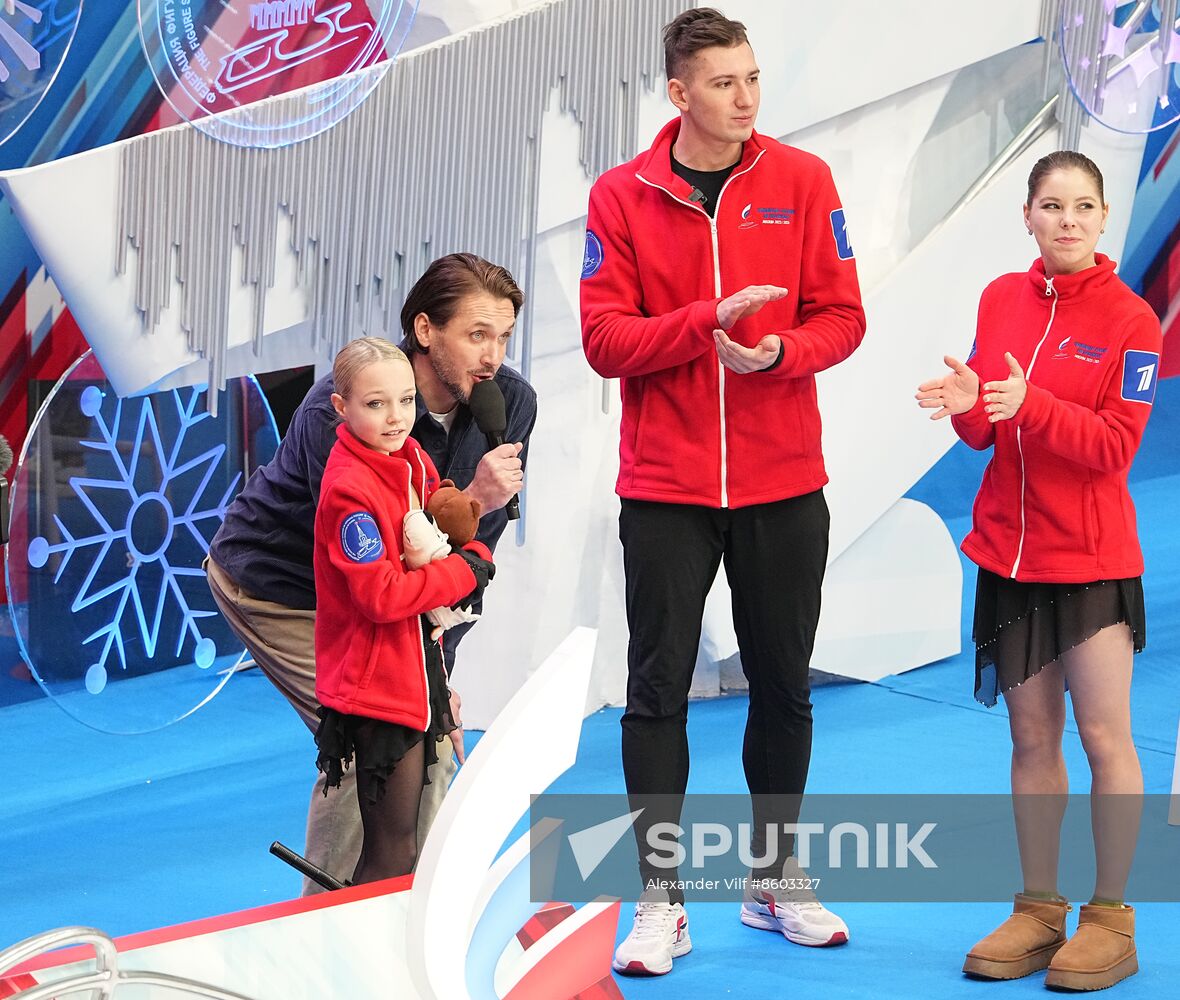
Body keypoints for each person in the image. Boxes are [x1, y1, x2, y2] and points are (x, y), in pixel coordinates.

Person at [579, 7, 866, 976]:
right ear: (678, 92)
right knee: (654, 692)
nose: (746, 96)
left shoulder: (802, 180)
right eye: (723, 82)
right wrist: (703, 322)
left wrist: (780, 351)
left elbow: (843, 317)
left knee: (783, 685)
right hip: (665, 485)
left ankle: (772, 878)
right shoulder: (620, 196)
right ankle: (660, 900)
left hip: (784, 480)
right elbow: (603, 339)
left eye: (751, 77)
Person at [206, 253, 537, 892]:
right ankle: (329, 927)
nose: (493, 354)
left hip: (390, 597)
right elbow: (371, 575)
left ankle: (409, 908)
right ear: (423, 330)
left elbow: (470, 563)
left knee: (428, 736)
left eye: (503, 336)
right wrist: (473, 497)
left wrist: (437, 670)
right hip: (283, 586)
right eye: (476, 335)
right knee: (374, 746)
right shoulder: (341, 416)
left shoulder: (509, 402)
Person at [916, 150, 1160, 991]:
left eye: (1083, 207)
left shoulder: (1134, 322)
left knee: (1104, 739)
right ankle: (1039, 909)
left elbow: (1114, 449)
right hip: (1007, 556)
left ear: (1102, 221)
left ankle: (1111, 917)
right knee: (1030, 739)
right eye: (1051, 205)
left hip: (1090, 563)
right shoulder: (1000, 299)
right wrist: (965, 411)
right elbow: (988, 429)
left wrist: (1036, 405)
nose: (1067, 220)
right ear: (1027, 215)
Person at [312, 337, 495, 883]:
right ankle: (357, 958)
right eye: (376, 404)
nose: (397, 417)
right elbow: (383, 595)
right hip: (376, 691)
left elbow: (442, 507)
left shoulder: (409, 456)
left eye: (407, 401)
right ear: (342, 408)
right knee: (391, 852)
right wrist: (465, 571)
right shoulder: (348, 490)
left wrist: (471, 535)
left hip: (414, 671)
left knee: (409, 842)